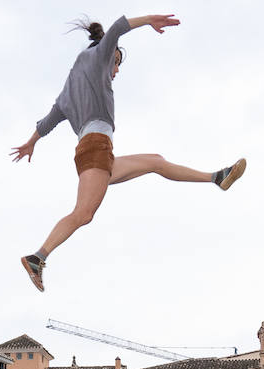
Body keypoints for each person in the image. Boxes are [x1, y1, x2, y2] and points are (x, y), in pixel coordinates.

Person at [13, 13, 245, 291]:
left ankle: (217, 177)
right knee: (83, 213)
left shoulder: (68, 88)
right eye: (117, 63)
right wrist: (149, 20)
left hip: (96, 152)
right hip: (95, 148)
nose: (117, 70)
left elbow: (48, 121)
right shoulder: (98, 56)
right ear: (108, 55)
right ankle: (38, 256)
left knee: (156, 162)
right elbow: (117, 29)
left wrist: (31, 142)